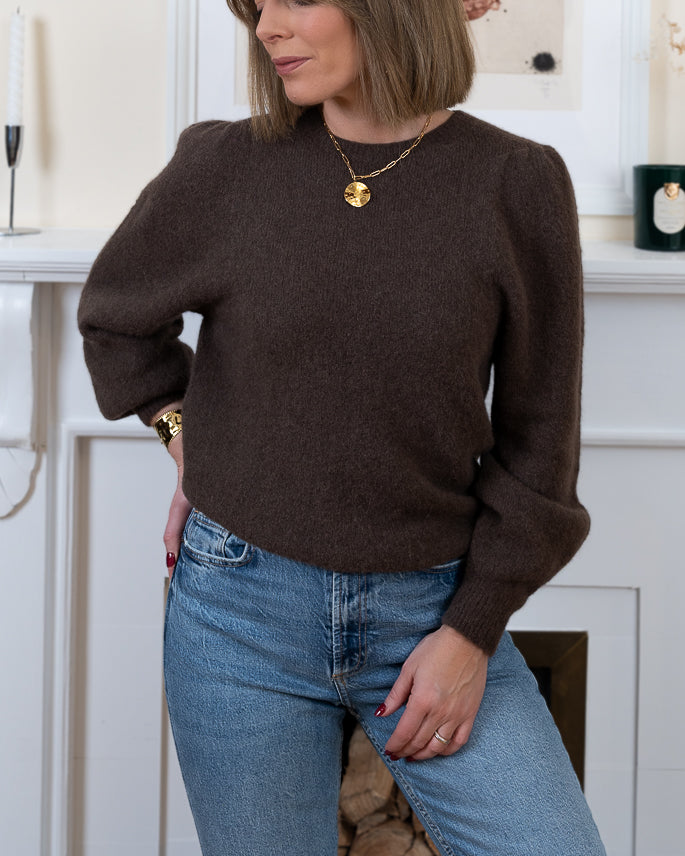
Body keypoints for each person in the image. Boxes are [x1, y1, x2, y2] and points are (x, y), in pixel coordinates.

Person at [78, 1, 606, 854]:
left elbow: (540, 443)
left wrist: (471, 631)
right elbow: (115, 319)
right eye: (257, 5)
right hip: (238, 612)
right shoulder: (226, 163)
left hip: (432, 609)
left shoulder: (514, 181)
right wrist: (186, 438)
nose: (266, 27)